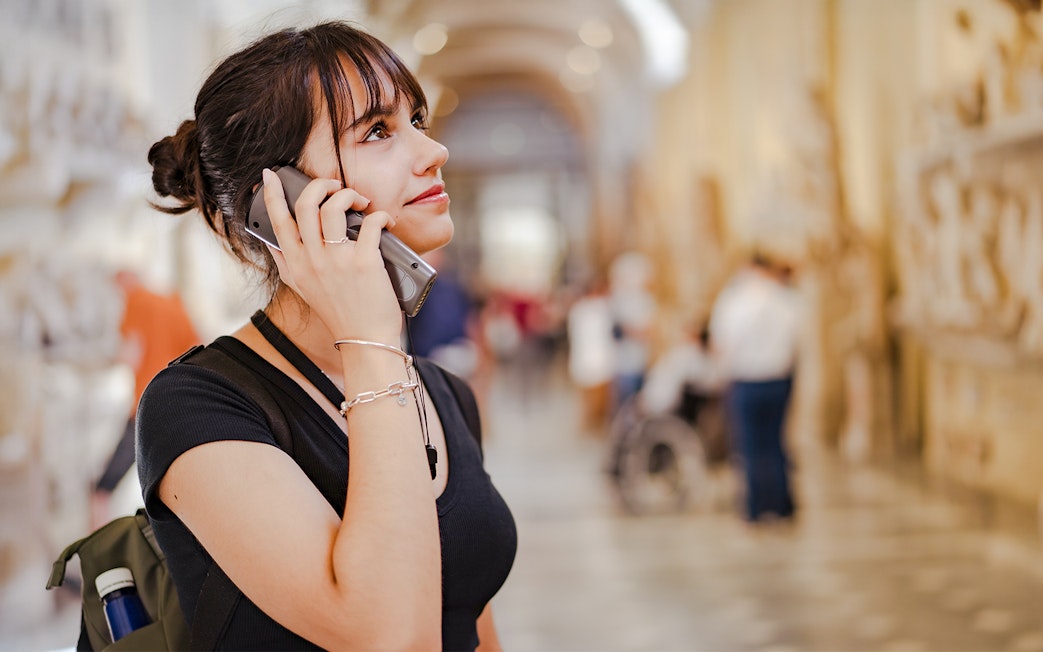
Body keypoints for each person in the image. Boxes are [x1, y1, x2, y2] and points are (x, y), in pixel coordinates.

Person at [138, 21, 516, 650]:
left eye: (416, 120)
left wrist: (379, 349)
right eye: (377, 131)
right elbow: (390, 637)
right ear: (278, 200)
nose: (433, 151)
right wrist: (369, 337)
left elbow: (473, 625)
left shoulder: (445, 396)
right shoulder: (197, 408)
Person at [90, 269, 200, 527]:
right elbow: (197, 345)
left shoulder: (135, 301)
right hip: (180, 403)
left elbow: (132, 354)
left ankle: (93, 553)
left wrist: (104, 358)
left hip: (147, 405)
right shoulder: (173, 301)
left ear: (123, 282)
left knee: (101, 488)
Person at [709, 253, 802, 523]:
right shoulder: (786, 299)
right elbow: (797, 340)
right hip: (778, 377)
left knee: (749, 444)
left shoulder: (734, 300)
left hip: (745, 379)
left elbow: (720, 344)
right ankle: (782, 504)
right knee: (776, 440)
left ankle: (754, 507)